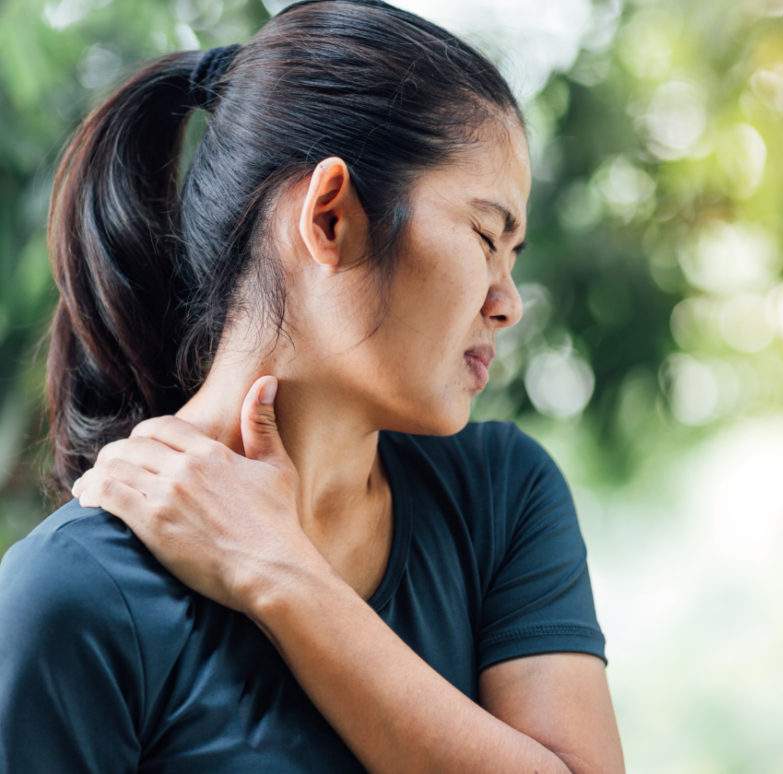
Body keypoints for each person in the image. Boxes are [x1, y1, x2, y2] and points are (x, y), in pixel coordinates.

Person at [0, 0, 625, 771]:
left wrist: (277, 572)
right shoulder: (75, 594)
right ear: (330, 218)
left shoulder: (499, 497)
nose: (508, 301)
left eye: (515, 255)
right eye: (486, 236)